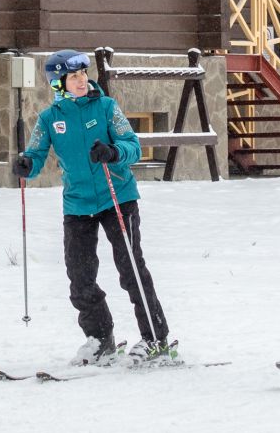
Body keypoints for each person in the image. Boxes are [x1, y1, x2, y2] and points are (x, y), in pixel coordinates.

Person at [11, 49, 175, 366]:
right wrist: (26, 165)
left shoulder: (107, 107)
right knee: (79, 276)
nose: (82, 80)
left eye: (83, 73)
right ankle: (101, 338)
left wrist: (113, 152)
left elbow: (133, 147)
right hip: (78, 204)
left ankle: (156, 339)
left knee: (131, 270)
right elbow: (35, 154)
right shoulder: (48, 119)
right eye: (74, 76)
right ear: (59, 84)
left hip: (117, 197)